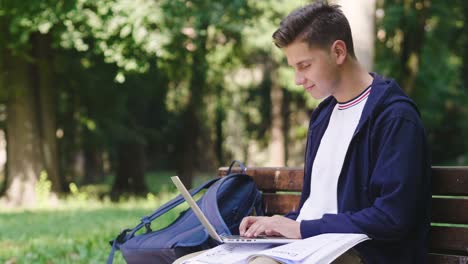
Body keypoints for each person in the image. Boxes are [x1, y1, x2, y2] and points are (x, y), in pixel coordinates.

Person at [175, 2, 431, 264]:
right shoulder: (323, 116)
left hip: (366, 254)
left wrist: (299, 229)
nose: (298, 79)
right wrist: (276, 224)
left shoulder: (395, 117)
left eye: (305, 65)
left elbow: (393, 217)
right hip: (308, 248)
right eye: (294, 68)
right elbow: (315, 208)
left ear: (339, 52)